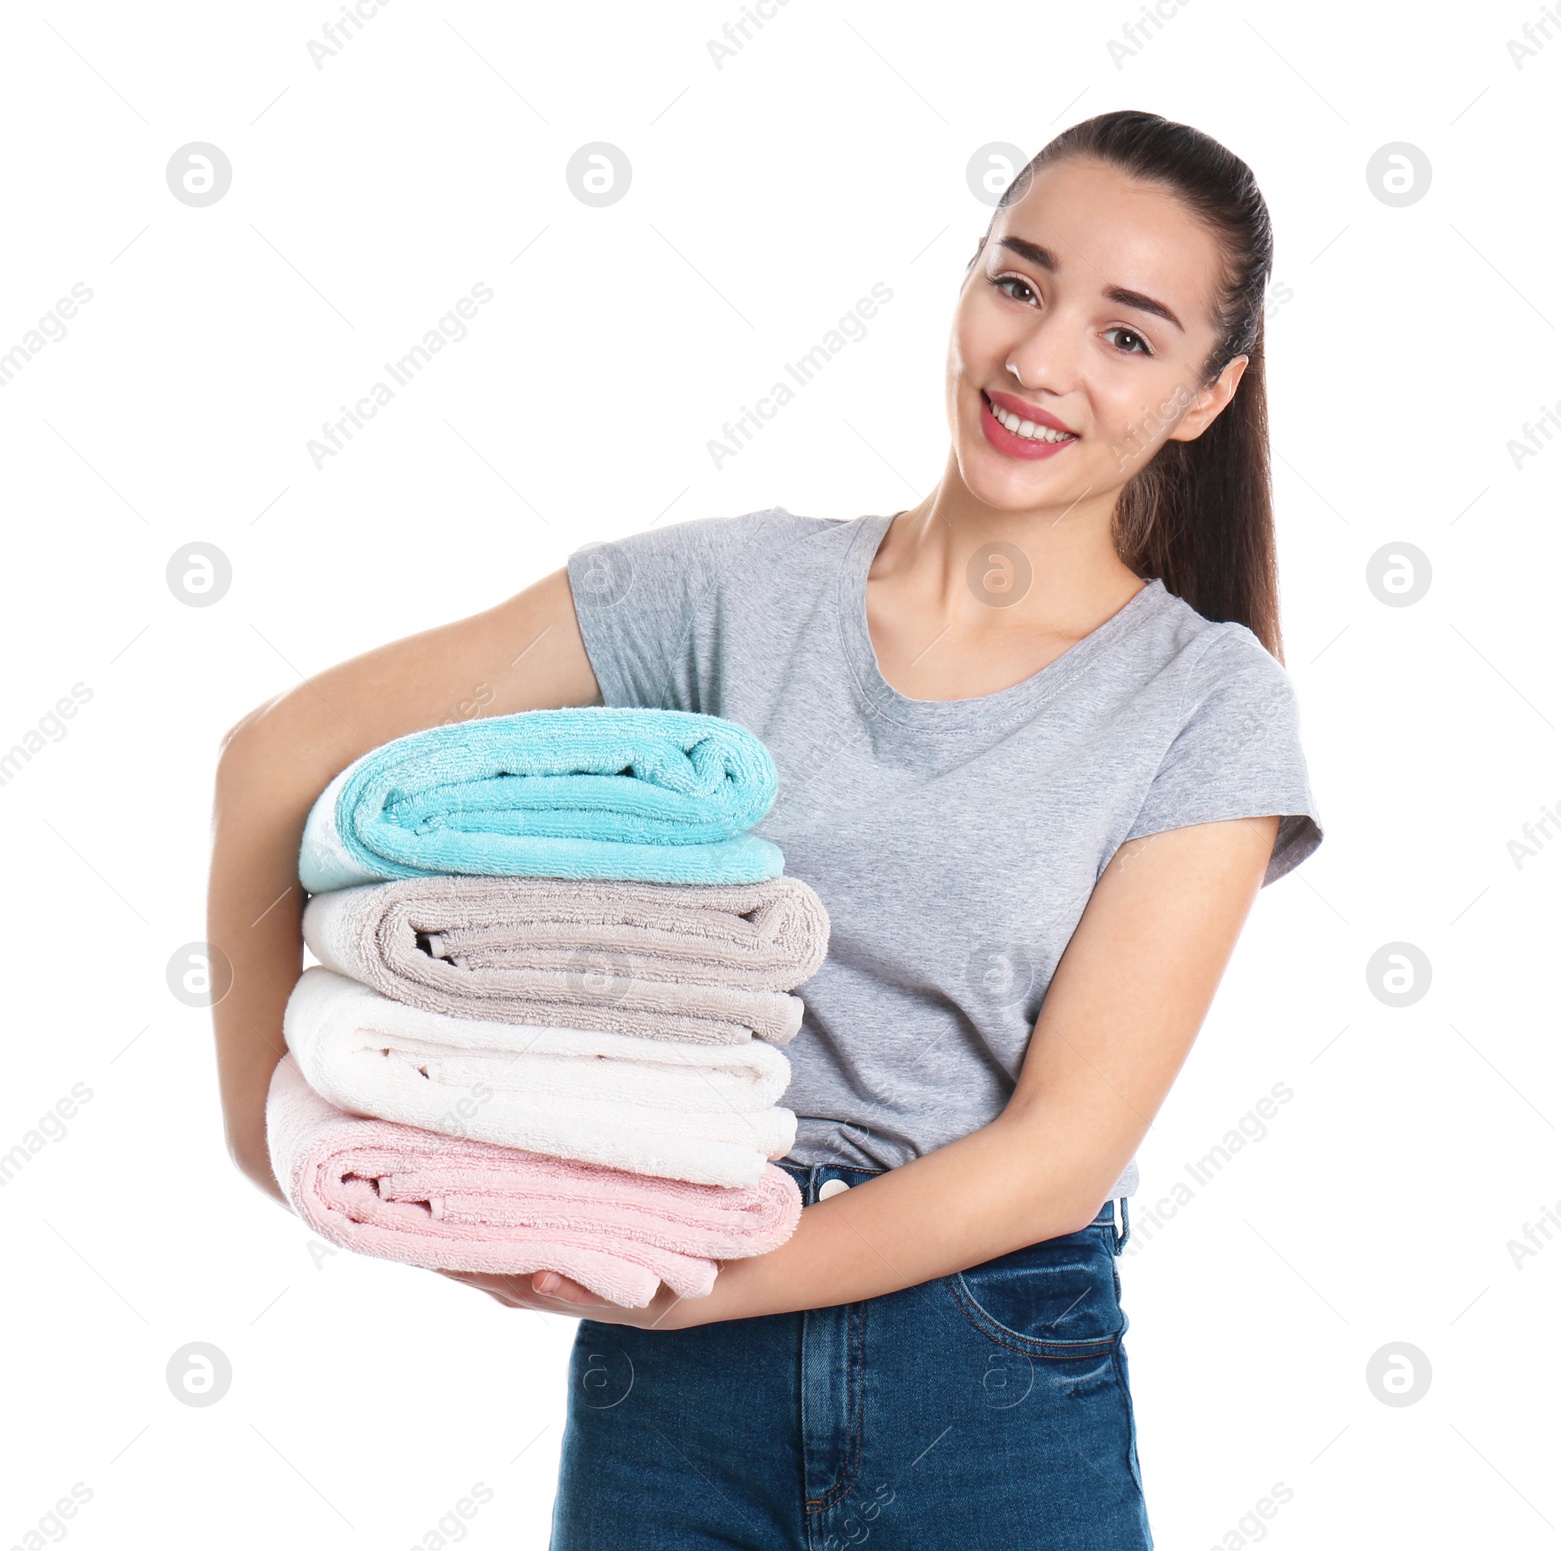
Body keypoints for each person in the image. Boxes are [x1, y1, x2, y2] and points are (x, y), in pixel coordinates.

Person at [209, 109, 1321, 1549]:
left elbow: (1060, 1148)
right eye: (1020, 284)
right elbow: (278, 755)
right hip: (672, 1390)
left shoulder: (1205, 704)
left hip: (982, 1389)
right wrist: (278, 1136)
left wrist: (694, 1276)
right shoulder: (731, 598)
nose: (1040, 362)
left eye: (1130, 335)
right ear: (970, 280)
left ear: (1203, 395)